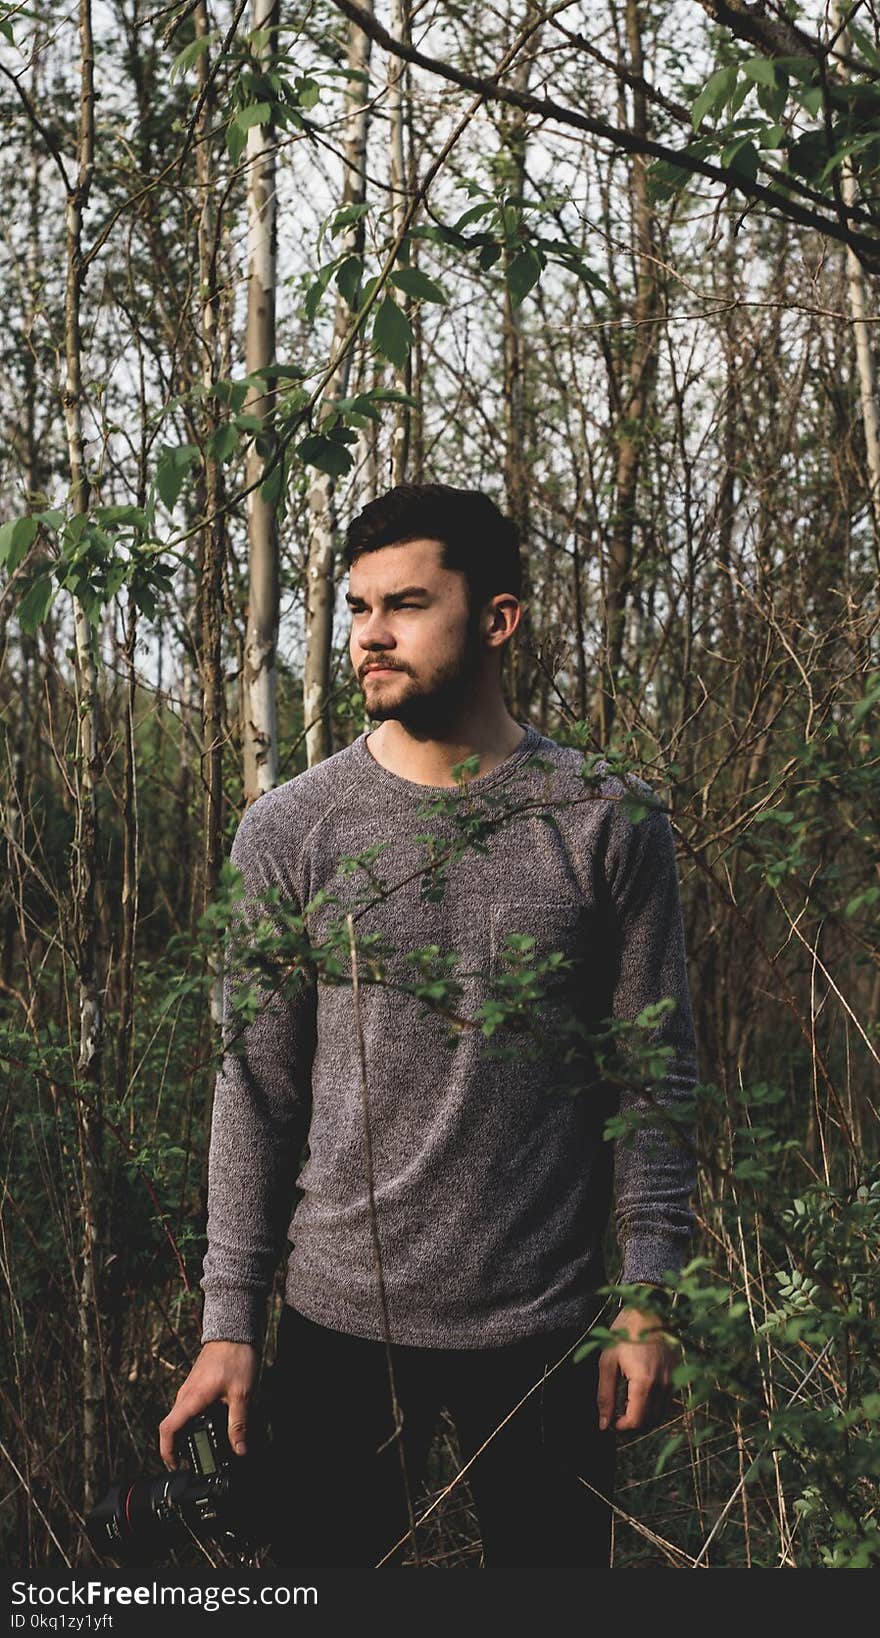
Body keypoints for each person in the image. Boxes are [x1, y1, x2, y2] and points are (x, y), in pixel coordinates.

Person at [159, 482, 699, 1569]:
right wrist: (230, 1322)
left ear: (497, 619)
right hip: (337, 1324)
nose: (369, 636)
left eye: (404, 604)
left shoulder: (606, 819)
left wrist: (646, 1295)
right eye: (357, 608)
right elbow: (253, 1089)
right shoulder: (290, 829)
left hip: (547, 1327)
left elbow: (653, 1079)